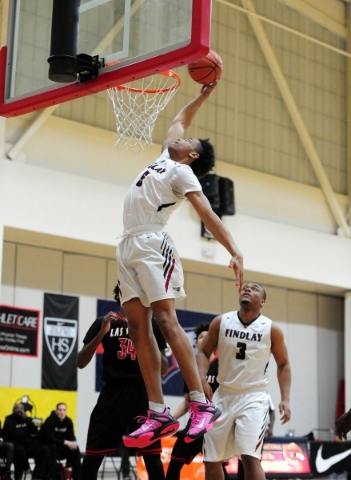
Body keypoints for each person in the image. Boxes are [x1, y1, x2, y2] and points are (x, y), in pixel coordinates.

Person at [117, 82, 244, 449]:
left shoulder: (182, 173)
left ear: (191, 157)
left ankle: (201, 403)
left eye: (191, 143)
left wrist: (234, 249)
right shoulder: (163, 158)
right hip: (127, 244)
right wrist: (203, 94)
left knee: (167, 320)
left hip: (154, 244)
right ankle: (157, 411)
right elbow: (179, 119)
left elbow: (208, 212)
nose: (183, 139)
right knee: (138, 330)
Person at [197, 282, 292, 480]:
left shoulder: (271, 329)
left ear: (263, 302)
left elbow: (283, 365)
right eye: (246, 287)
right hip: (222, 395)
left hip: (253, 397)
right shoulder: (221, 321)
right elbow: (203, 352)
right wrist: (202, 378)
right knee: (212, 458)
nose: (248, 289)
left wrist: (285, 398)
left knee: (250, 457)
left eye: (255, 288)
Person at [77, 284, 167, 480]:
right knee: (93, 456)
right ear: (120, 293)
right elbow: (80, 361)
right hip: (113, 393)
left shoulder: (151, 325)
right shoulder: (104, 322)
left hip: (143, 395)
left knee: (152, 457)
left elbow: (164, 368)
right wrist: (101, 334)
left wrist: (149, 336)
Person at [166, 322, 230, 480]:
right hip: (194, 426)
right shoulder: (191, 369)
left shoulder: (223, 365)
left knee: (216, 468)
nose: (205, 338)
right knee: (174, 462)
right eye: (201, 336)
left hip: (214, 426)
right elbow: (188, 401)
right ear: (196, 343)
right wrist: (171, 419)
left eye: (208, 336)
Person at [2, 403, 51, 480]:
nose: (19, 410)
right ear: (13, 410)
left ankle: (37, 475)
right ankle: (18, 476)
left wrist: (27, 420)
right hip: (16, 443)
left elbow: (35, 432)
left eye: (21, 408)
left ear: (24, 410)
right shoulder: (9, 419)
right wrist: (25, 433)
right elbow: (13, 433)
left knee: (44, 449)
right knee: (19, 450)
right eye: (17, 408)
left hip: (28, 444)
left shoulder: (27, 419)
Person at [40, 403, 81, 480]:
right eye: (60, 410)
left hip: (62, 447)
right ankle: (51, 476)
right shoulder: (50, 421)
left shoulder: (68, 421)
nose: (62, 412)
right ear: (56, 411)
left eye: (64, 410)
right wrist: (65, 442)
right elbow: (50, 438)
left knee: (76, 448)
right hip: (50, 446)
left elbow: (71, 436)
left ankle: (77, 475)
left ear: (66, 412)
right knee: (53, 447)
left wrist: (73, 442)